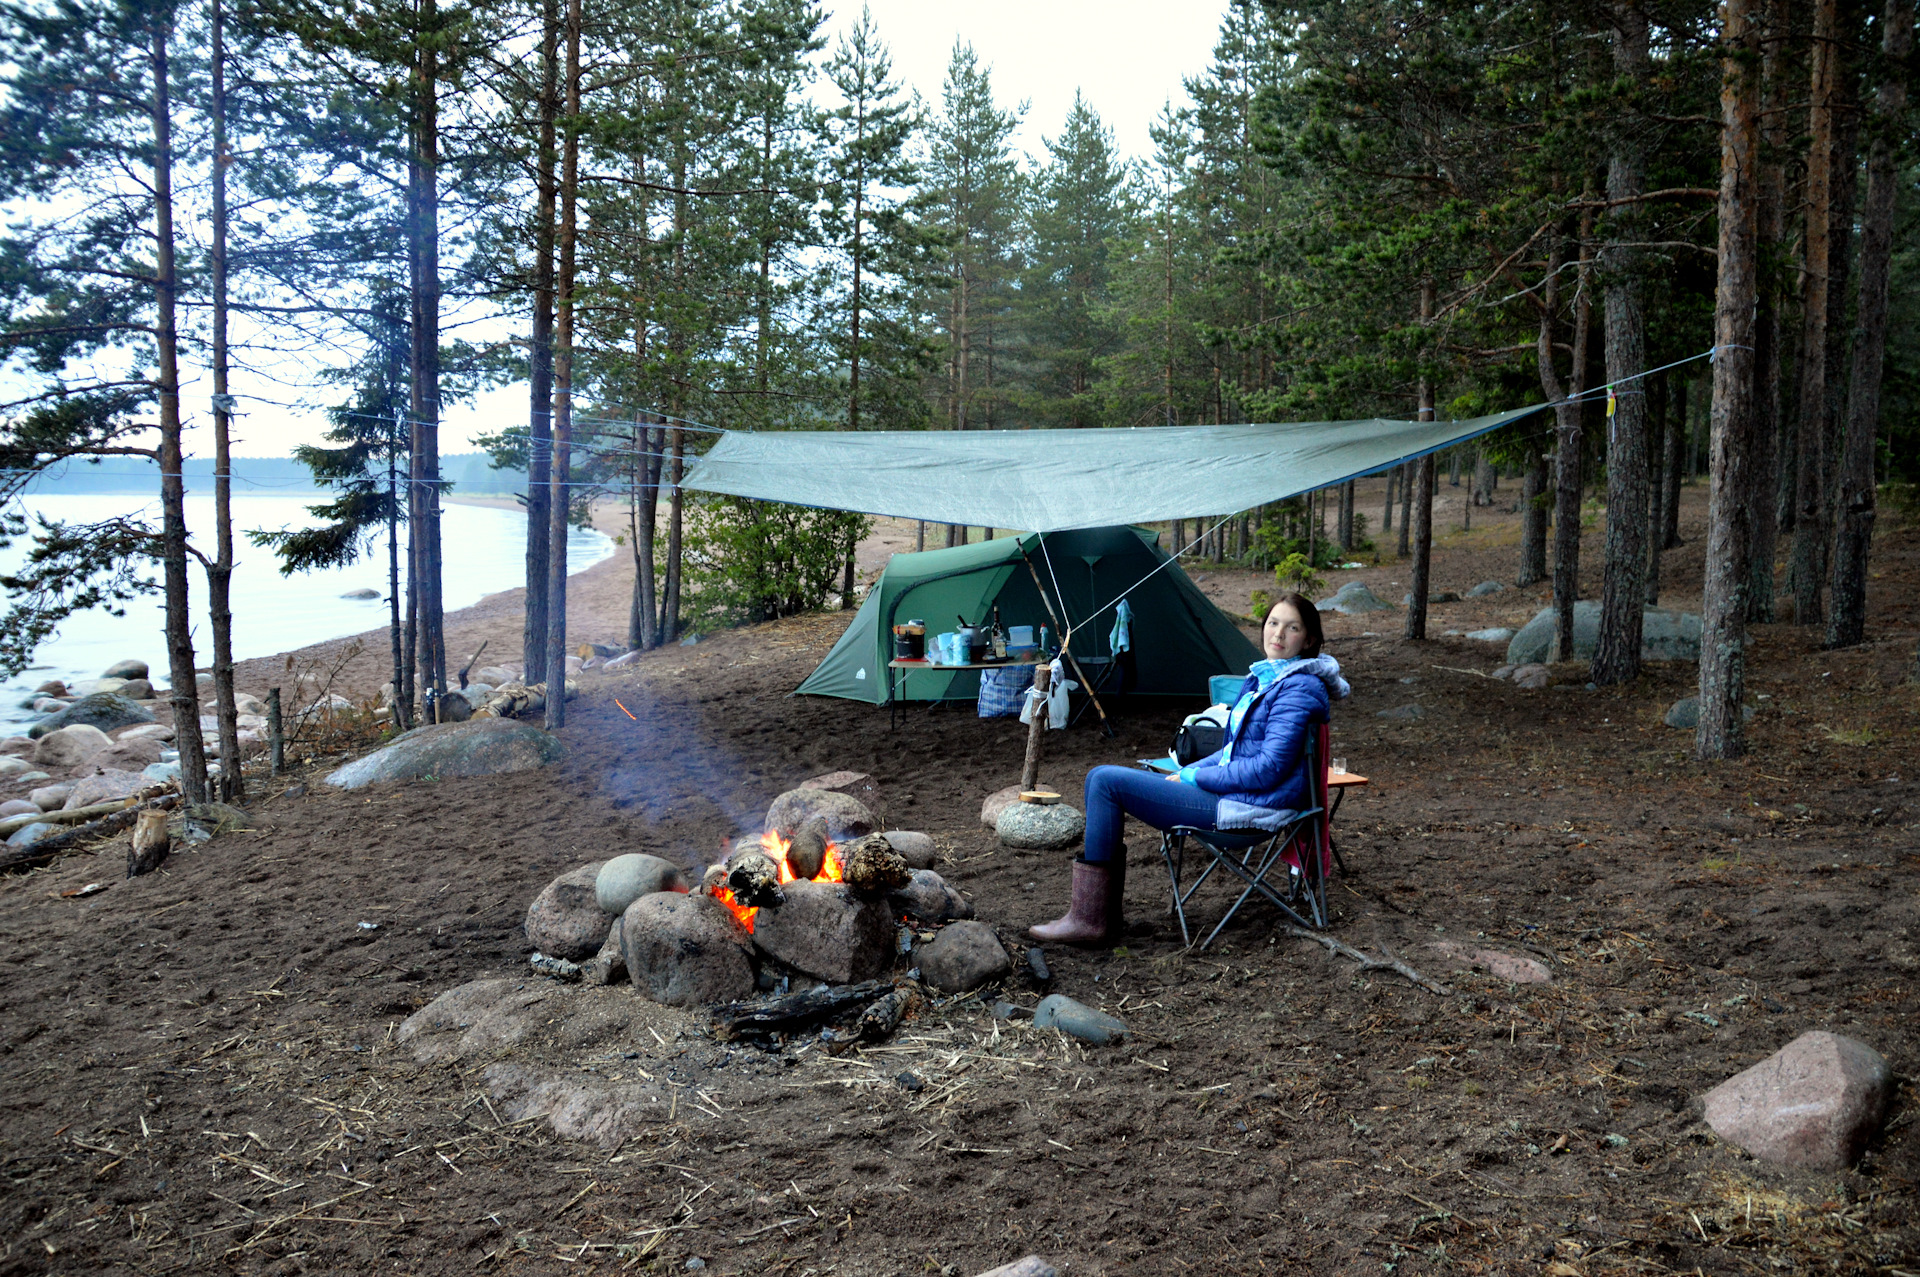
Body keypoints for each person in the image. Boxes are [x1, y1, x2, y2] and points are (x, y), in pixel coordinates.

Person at [1029, 592, 1351, 945]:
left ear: (1309, 639)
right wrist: (1187, 772)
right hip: (1241, 795)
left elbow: (1268, 768)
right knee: (1098, 779)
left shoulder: (1297, 688)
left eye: (1292, 628)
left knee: (1106, 781)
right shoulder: (1269, 678)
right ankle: (1097, 916)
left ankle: (1090, 919)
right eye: (1273, 623)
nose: (1278, 633)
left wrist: (1197, 777)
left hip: (1253, 808)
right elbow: (1231, 751)